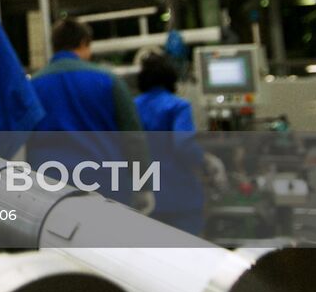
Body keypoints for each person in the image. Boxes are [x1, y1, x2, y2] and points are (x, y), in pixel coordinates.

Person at [29, 18, 150, 206]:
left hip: (49, 186)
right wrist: (143, 185)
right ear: (84, 43)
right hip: (106, 184)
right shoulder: (108, 80)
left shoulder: (32, 86)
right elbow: (133, 136)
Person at [135, 52, 209, 234]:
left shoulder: (132, 107)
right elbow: (183, 145)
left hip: (144, 196)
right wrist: (206, 162)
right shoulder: (178, 106)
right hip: (179, 197)